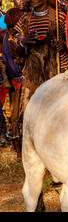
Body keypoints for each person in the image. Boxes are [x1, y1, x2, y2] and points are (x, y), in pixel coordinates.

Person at [14, 0, 68, 106]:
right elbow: (16, 50)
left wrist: (62, 45)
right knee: (30, 107)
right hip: (33, 73)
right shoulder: (25, 19)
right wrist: (23, 42)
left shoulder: (59, 17)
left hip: (56, 71)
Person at [1, 9, 26, 152]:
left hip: (18, 81)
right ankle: (17, 148)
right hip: (14, 81)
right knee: (14, 117)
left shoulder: (12, 37)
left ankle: (18, 148)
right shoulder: (11, 38)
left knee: (17, 116)